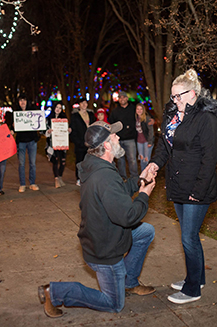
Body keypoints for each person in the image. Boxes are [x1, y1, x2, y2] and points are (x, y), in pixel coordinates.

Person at [38, 121, 157, 318]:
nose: (118, 137)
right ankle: (55, 292)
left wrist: (139, 182)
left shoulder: (97, 165)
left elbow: (117, 193)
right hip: (105, 251)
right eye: (114, 136)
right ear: (107, 145)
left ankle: (128, 282)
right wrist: (144, 194)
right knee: (114, 304)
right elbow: (128, 216)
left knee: (146, 232)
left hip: (104, 235)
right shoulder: (103, 176)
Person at [142, 68, 217, 304]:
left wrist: (197, 192)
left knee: (188, 238)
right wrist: (154, 165)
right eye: (173, 96)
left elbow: (210, 159)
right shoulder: (172, 116)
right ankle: (196, 278)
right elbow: (164, 148)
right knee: (190, 237)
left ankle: (192, 290)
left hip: (196, 189)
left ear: (193, 94)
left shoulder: (206, 119)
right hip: (178, 185)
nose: (174, 100)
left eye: (179, 96)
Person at [13, 94, 40, 192]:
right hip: (21, 142)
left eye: (24, 100)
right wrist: (13, 127)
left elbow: (38, 123)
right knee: (21, 164)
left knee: (32, 163)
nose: (22, 102)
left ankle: (32, 183)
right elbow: (13, 128)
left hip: (32, 141)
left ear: (27, 101)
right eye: (20, 101)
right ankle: (22, 184)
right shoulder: (16, 114)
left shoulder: (33, 112)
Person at [108, 91, 138, 179]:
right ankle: (123, 177)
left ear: (127, 98)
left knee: (132, 160)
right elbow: (111, 123)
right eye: (120, 98)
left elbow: (142, 115)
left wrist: (150, 120)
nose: (122, 99)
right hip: (119, 139)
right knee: (120, 160)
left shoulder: (133, 109)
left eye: (123, 97)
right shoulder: (115, 111)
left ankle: (134, 177)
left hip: (130, 139)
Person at [70, 97, 96, 186]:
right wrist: (79, 142)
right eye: (82, 103)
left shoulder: (91, 114)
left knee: (90, 161)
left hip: (91, 143)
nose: (84, 105)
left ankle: (88, 177)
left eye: (85, 103)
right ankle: (79, 178)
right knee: (80, 161)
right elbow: (73, 131)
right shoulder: (75, 116)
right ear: (79, 105)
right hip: (80, 143)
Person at [45, 102, 68, 188]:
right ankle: (56, 179)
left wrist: (68, 131)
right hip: (52, 143)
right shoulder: (48, 119)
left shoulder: (64, 119)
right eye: (57, 107)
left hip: (62, 142)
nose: (58, 109)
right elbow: (44, 131)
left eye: (60, 108)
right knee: (55, 160)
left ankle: (60, 177)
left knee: (62, 161)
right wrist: (48, 131)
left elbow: (65, 130)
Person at [135, 103, 154, 172]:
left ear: (143, 110)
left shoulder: (147, 118)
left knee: (147, 159)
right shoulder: (136, 118)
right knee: (141, 159)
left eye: (141, 109)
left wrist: (150, 142)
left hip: (147, 141)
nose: (139, 111)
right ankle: (143, 174)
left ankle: (148, 175)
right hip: (139, 141)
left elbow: (151, 131)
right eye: (138, 109)